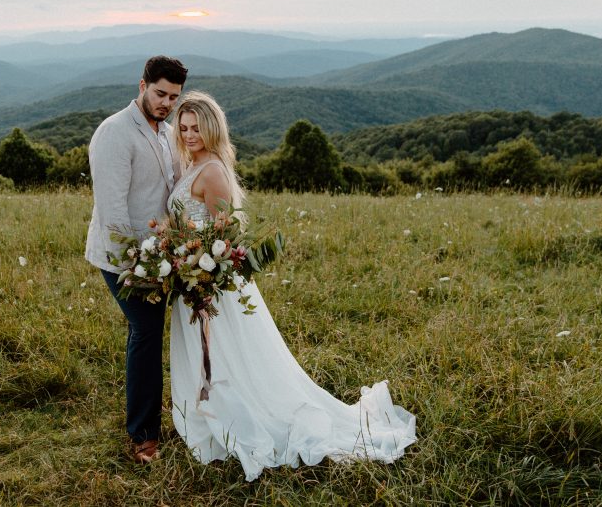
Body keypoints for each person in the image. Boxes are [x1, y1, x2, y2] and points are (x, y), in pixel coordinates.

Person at [167, 91, 417, 482]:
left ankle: (231, 420)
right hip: (190, 277)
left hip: (208, 281)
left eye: (196, 127)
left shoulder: (212, 170)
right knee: (208, 354)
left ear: (212, 128)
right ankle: (207, 415)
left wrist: (197, 267)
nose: (188, 133)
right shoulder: (190, 163)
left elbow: (224, 236)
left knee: (225, 354)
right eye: (183, 127)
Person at [86, 55, 188, 463]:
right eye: (161, 93)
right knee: (146, 332)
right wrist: (136, 266)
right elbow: (112, 213)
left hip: (160, 254)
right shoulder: (114, 133)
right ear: (142, 85)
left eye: (174, 97)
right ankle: (143, 435)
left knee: (151, 332)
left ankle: (157, 409)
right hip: (122, 257)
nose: (166, 103)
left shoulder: (164, 132)